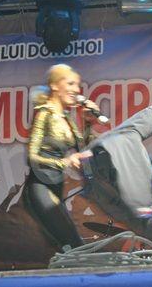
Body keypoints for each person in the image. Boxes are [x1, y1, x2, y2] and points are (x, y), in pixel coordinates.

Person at [26, 63, 98, 251]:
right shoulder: (44, 114)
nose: (77, 90)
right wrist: (64, 162)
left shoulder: (67, 118)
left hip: (56, 186)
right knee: (73, 244)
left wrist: (88, 122)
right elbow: (31, 157)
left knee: (70, 245)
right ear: (55, 86)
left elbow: (83, 149)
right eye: (71, 84)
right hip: (40, 186)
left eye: (78, 85)